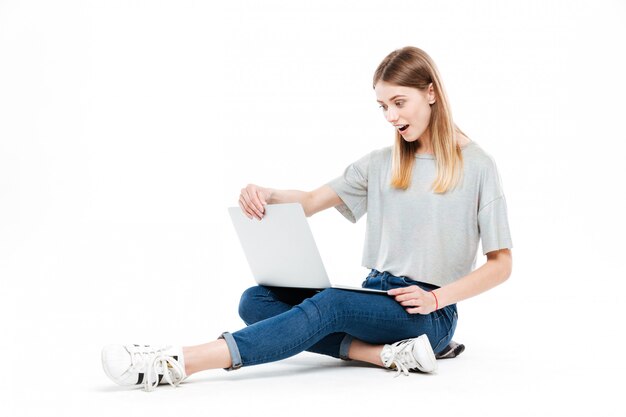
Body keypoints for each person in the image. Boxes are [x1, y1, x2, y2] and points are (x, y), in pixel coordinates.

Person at [101, 46, 513, 391]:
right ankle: (382, 355)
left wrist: (435, 299)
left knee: (329, 305)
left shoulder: (477, 166)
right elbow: (313, 199)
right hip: (375, 296)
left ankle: (180, 362)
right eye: (383, 106)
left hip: (430, 313)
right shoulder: (381, 163)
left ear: (431, 93)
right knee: (256, 300)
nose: (390, 116)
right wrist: (269, 194)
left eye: (398, 103)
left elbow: (501, 265)